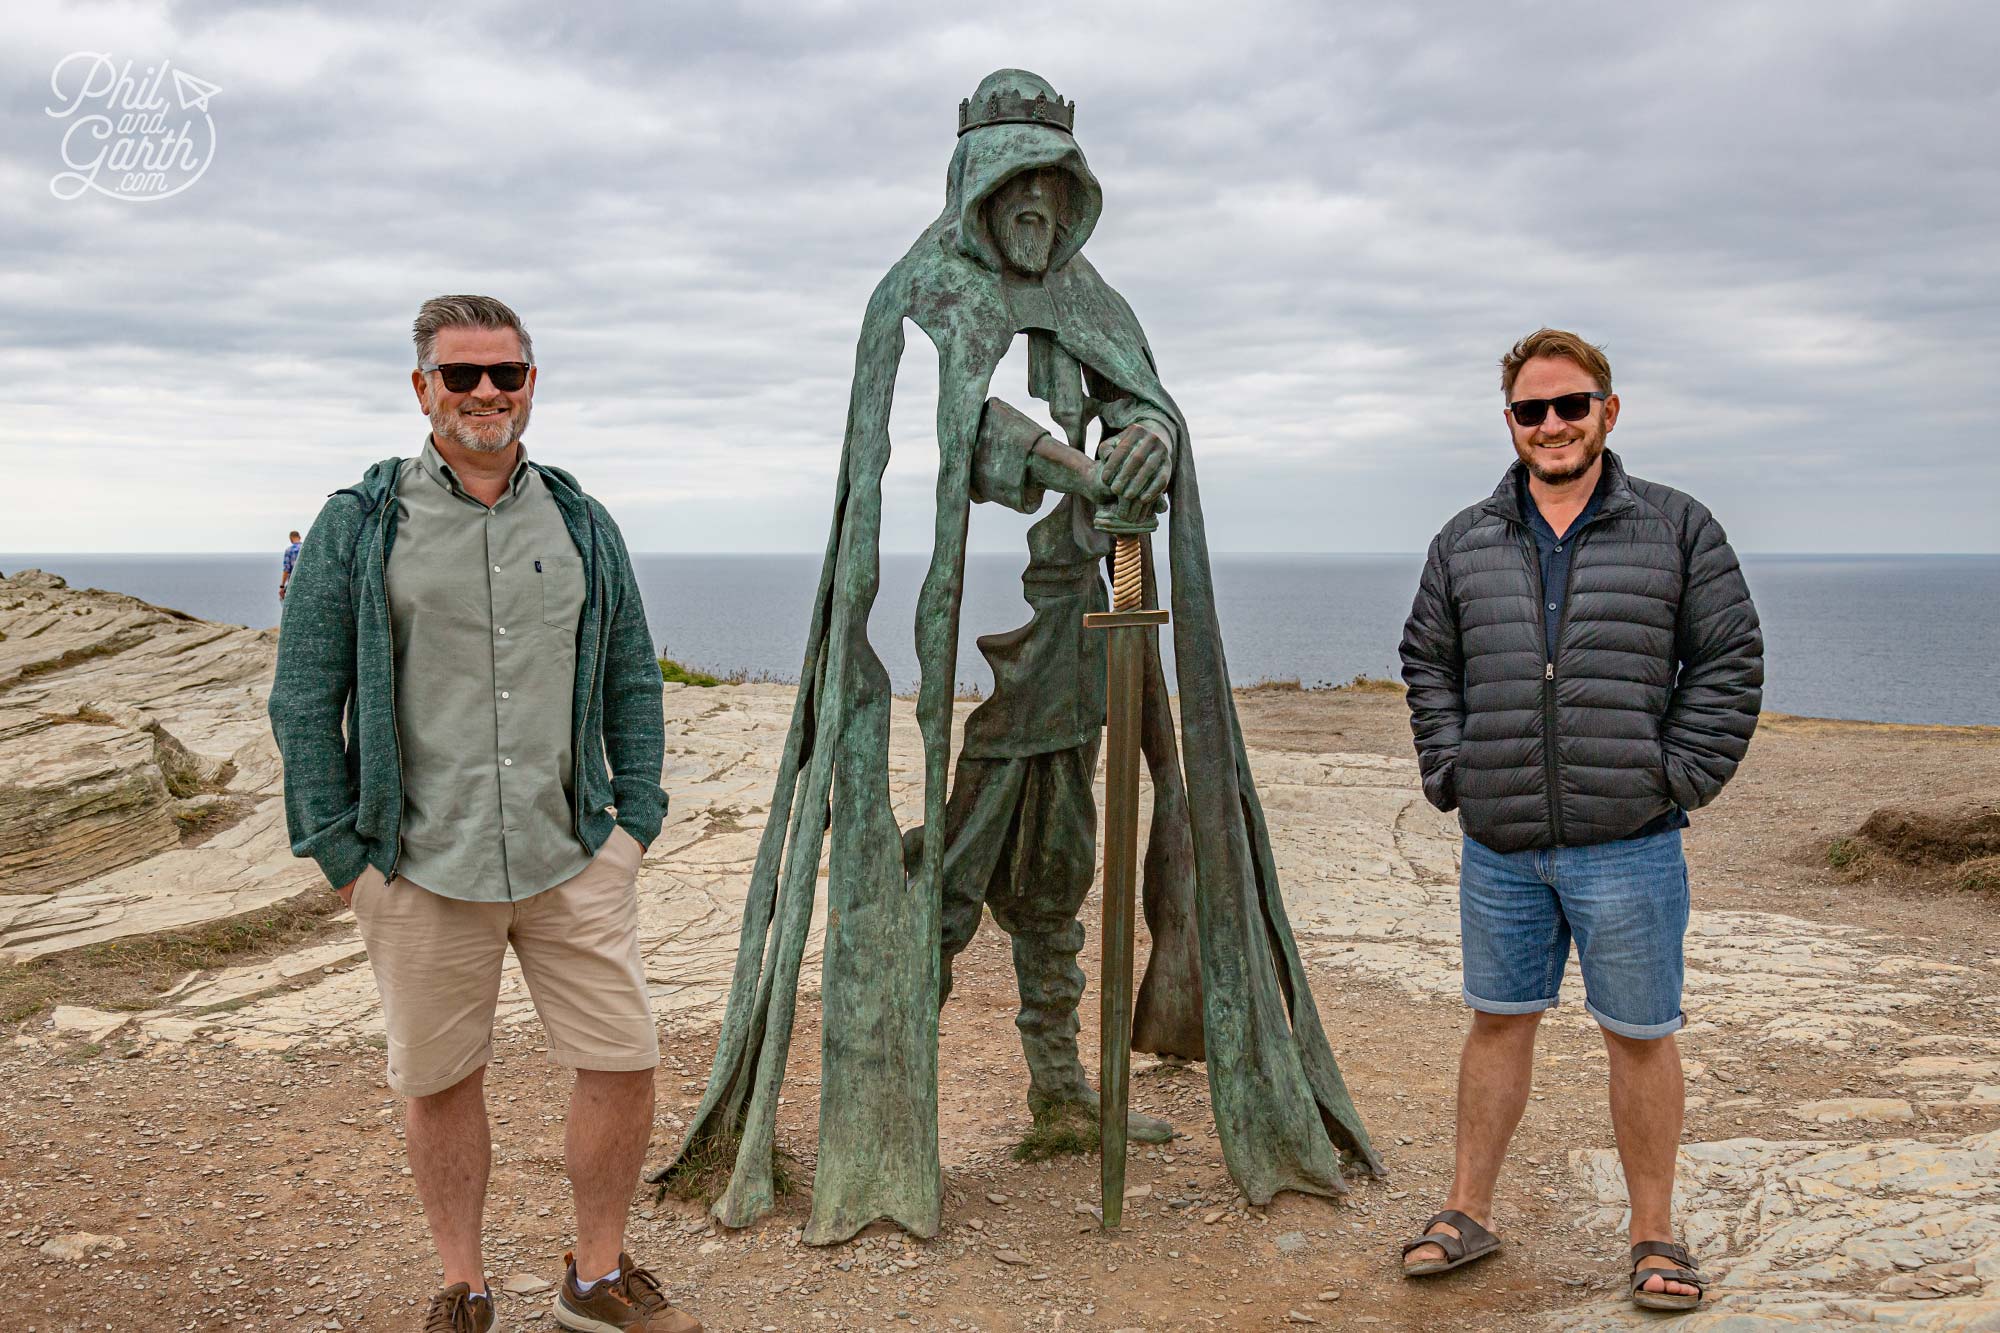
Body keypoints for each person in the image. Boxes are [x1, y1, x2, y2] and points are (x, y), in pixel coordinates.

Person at [268, 295, 699, 1333]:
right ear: (423, 389)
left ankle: (595, 1279)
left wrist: (632, 823)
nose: (485, 394)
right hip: (417, 861)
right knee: (440, 1078)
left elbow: (632, 679)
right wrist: (341, 852)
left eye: (504, 373)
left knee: (622, 1058)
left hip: (571, 854)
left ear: (530, 385)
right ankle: (461, 1287)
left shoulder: (581, 520)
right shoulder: (361, 523)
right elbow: (303, 692)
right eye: (461, 375)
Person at [1396, 327, 1762, 1311]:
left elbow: (1727, 658)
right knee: (1495, 1022)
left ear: (1607, 409)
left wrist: (1673, 776)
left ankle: (1652, 1235)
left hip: (1629, 841)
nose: (1550, 424)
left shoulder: (1678, 527)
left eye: (1569, 405)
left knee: (1638, 1033)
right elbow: (1427, 659)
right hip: (1502, 843)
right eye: (1530, 409)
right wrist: (1451, 768)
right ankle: (1465, 1210)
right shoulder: (1465, 539)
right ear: (1509, 422)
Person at [279, 530, 301, 601]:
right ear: (300, 537)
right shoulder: (306, 550)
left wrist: (282, 586)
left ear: (291, 539)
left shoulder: (289, 550)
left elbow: (286, 569)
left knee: (282, 599)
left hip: (294, 585)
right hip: (308, 584)